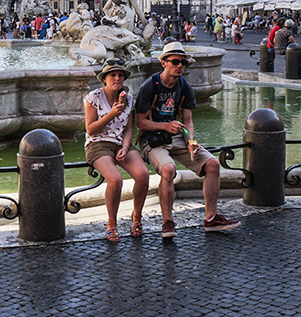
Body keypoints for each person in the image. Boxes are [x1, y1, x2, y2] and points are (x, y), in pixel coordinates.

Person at [135, 42, 239, 236]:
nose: (180, 66)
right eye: (175, 61)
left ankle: (211, 218)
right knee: (168, 169)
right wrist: (165, 125)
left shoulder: (185, 87)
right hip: (152, 140)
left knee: (213, 165)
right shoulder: (150, 86)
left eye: (183, 62)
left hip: (176, 137)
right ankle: (168, 222)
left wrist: (191, 141)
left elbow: (188, 121)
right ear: (163, 63)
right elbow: (140, 123)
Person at [83, 59, 149, 242]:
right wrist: (111, 114)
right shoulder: (93, 97)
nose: (117, 78)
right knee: (115, 179)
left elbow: (129, 128)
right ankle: (111, 223)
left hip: (121, 142)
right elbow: (90, 129)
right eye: (112, 75)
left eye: (120, 75)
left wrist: (126, 146)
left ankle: (136, 217)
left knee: (143, 174)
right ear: (104, 79)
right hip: (98, 144)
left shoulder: (127, 98)